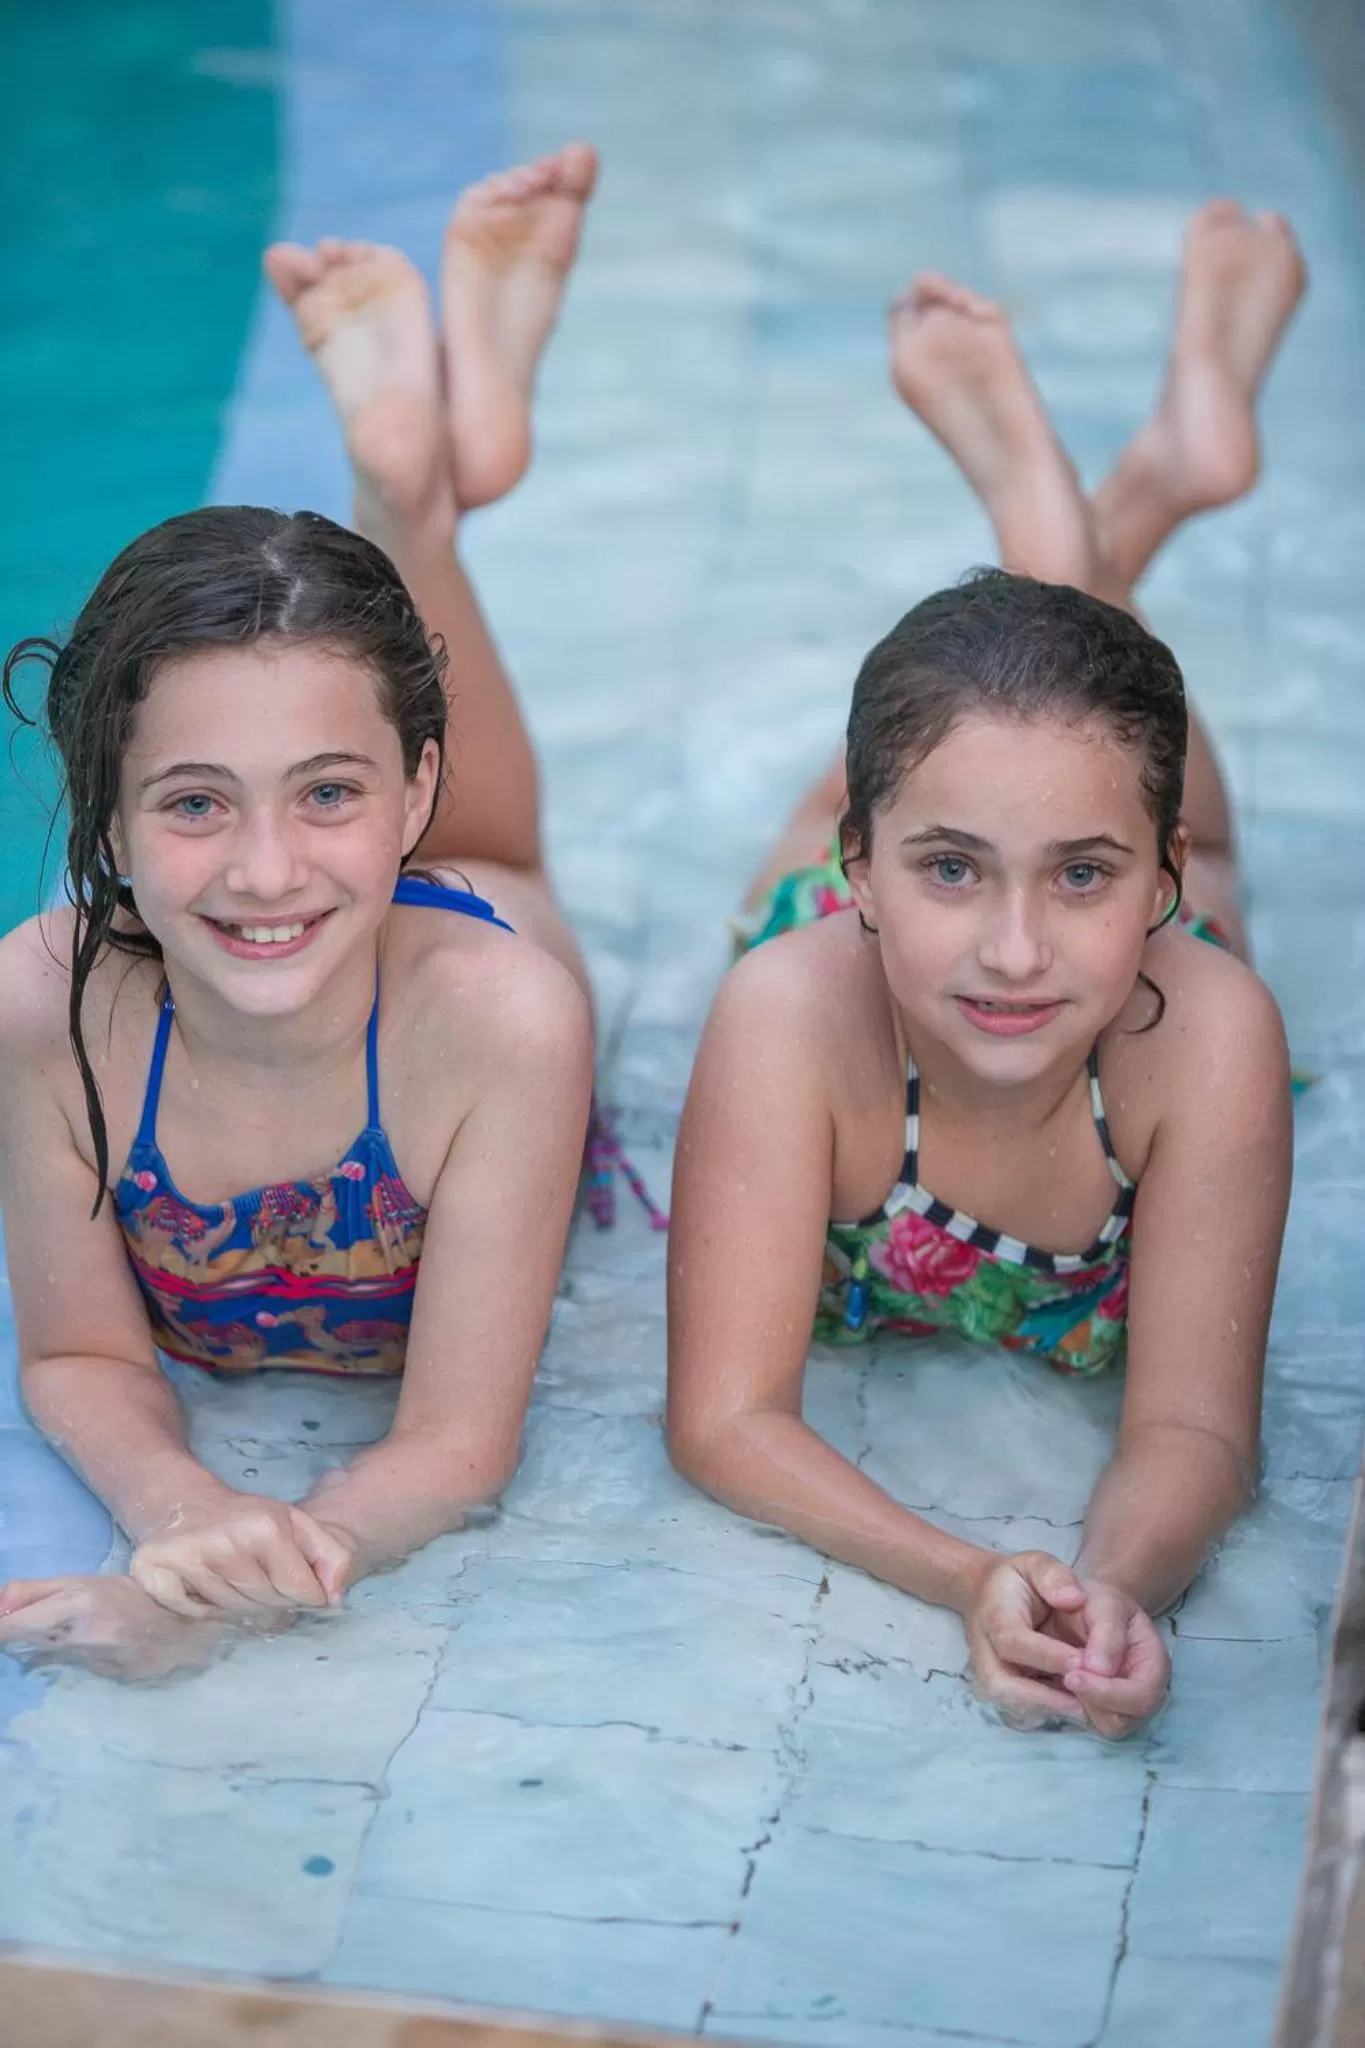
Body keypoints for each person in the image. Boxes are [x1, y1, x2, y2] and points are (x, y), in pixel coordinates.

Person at [667, 203, 1305, 1739]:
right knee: (1029, 748)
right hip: (857, 962)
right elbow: (723, 1418)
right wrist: (973, 1577)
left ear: (1144, 885)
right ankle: (1103, 514)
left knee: (1142, 804)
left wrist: (1114, 1588)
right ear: (862, 865)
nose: (1016, 952)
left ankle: (1090, 519)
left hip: (1146, 961)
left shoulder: (1203, 1025)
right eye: (949, 868)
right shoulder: (791, 1009)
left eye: (1086, 877)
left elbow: (1196, 1428)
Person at [0, 146, 606, 1680]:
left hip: (450, 945)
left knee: (504, 873)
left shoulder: (504, 1025)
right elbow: (76, 1353)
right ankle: (414, 479)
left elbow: (456, 1449)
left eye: (327, 796)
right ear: (107, 825)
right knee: (344, 784)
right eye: (192, 804)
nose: (262, 868)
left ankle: (413, 499)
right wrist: (184, 1512)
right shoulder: (43, 1009)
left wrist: (208, 1604)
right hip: (375, 910)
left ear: (407, 798)